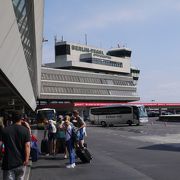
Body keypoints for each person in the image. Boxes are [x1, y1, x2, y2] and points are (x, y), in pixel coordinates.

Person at [1, 111, 31, 180]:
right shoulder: (25, 130)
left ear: (11, 119)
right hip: (21, 162)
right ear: (21, 119)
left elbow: (1, 145)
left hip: (8, 162)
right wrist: (26, 159)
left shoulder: (5, 130)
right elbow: (27, 146)